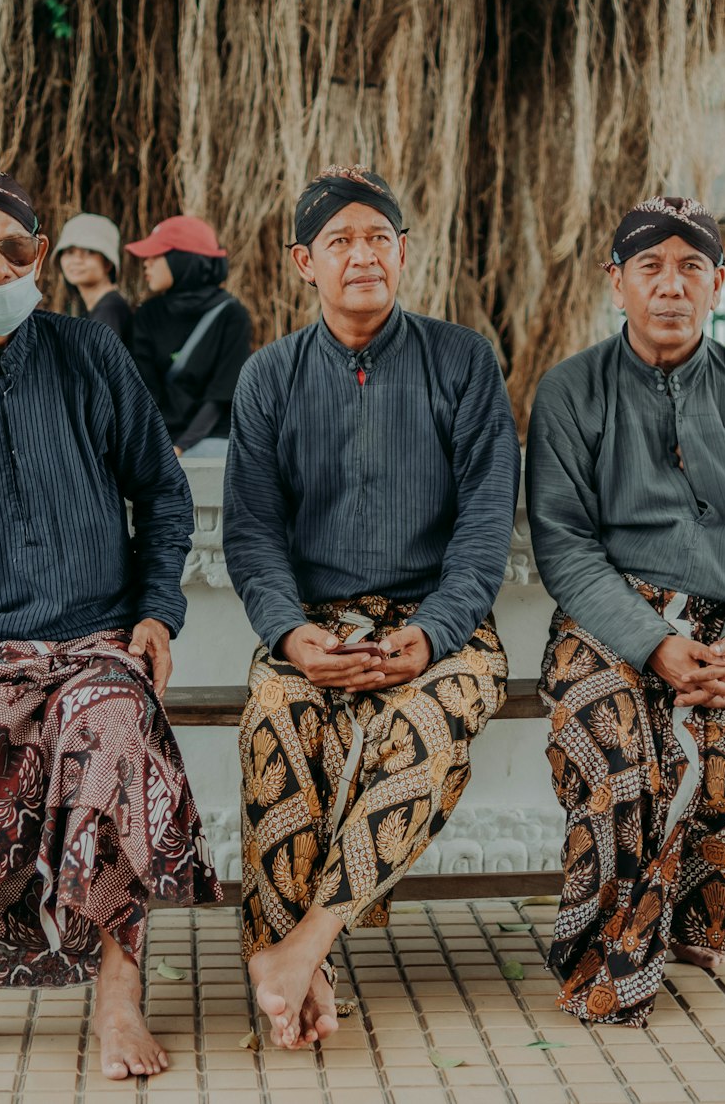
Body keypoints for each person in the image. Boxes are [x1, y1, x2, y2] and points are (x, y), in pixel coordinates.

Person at [0, 161, 220, 1086]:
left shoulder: (93, 352)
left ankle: (118, 991)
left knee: (115, 726)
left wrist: (154, 615)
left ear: (42, 256)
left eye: (13, 250)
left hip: (93, 633)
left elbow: (164, 494)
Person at [526, 195, 725, 1029]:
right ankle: (609, 951)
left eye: (691, 268)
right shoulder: (570, 391)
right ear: (617, 283)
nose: (670, 286)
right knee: (614, 743)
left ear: (718, 283)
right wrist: (653, 645)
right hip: (610, 622)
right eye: (650, 267)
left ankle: (695, 918)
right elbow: (563, 545)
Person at [223, 164, 520, 1050]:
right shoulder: (268, 377)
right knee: (276, 726)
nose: (363, 255)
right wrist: (291, 634)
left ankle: (300, 950)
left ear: (404, 254)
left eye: (378, 238)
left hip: (440, 624)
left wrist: (432, 636)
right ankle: (297, 977)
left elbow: (483, 535)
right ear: (302, 262)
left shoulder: (463, 361)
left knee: (430, 727)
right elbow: (251, 537)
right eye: (340, 240)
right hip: (313, 625)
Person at [127, 215, 252, 456]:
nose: (146, 263)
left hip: (211, 436)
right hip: (160, 436)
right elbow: (145, 392)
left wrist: (181, 447)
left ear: (181, 260)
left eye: (156, 255)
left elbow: (220, 395)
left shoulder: (231, 314)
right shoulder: (146, 315)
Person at [53, 211, 133, 345]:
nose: (76, 260)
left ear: (107, 263)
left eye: (89, 252)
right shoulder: (97, 307)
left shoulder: (109, 310)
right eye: (69, 252)